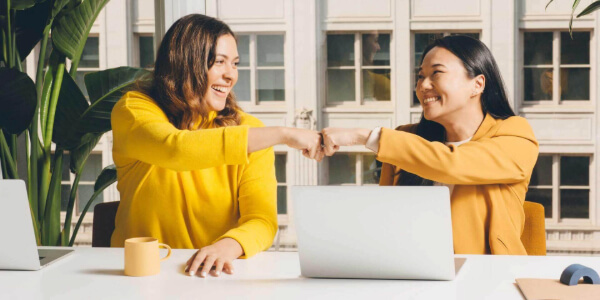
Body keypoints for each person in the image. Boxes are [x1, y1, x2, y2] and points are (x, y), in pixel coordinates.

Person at [110, 14, 324, 278]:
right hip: (138, 276)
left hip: (213, 276)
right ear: (184, 63)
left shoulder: (251, 131)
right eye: (219, 62)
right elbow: (176, 149)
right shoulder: (134, 110)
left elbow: (261, 220)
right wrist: (283, 134)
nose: (230, 75)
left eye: (234, 64)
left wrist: (228, 246)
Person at [321, 35, 539, 255]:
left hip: (487, 278)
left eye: (436, 73)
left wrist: (364, 136)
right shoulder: (406, 137)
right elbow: (386, 221)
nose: (423, 85)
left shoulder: (515, 134)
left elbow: (452, 163)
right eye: (420, 76)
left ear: (477, 84)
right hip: (409, 274)